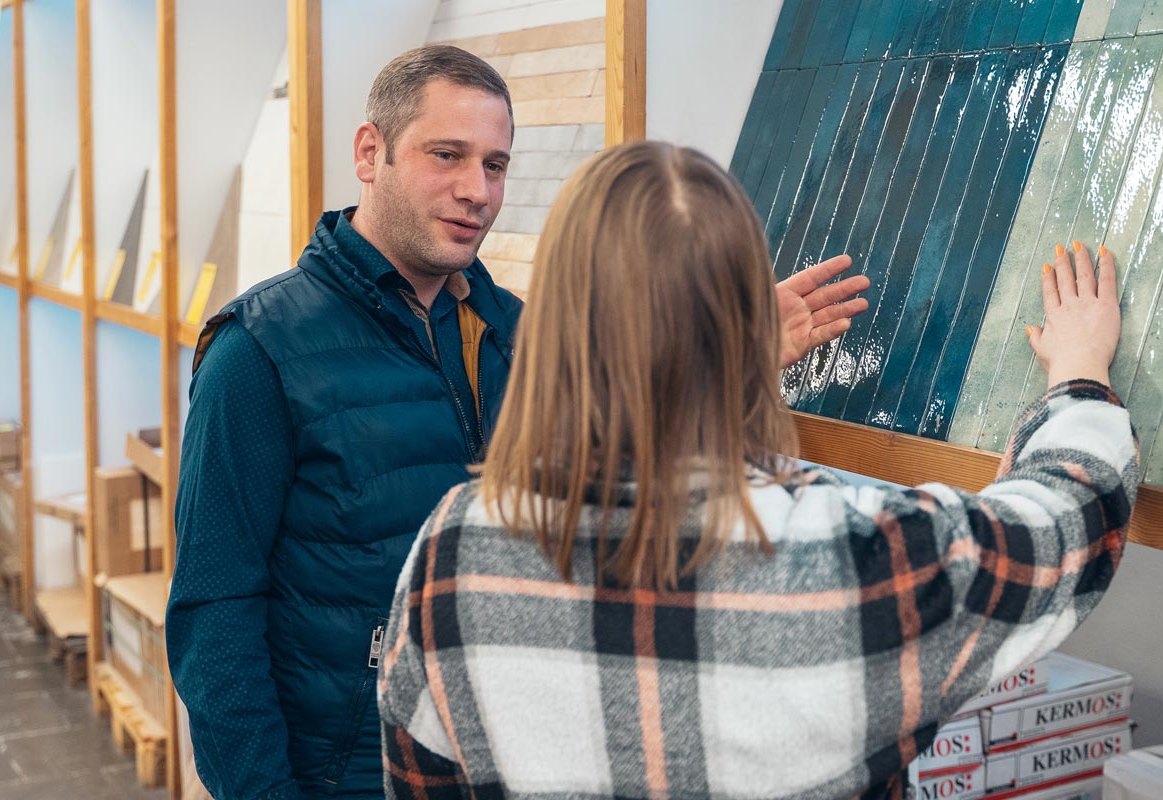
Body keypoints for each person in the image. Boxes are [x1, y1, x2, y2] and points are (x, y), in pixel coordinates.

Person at [167, 45, 870, 798]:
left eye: (496, 165)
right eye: (448, 155)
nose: (476, 190)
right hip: (350, 777)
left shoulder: (519, 333)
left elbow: (627, 472)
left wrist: (737, 355)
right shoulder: (258, 352)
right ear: (371, 153)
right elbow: (216, 613)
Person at [377, 142, 1138, 799]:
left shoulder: (453, 551)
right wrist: (1078, 367)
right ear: (742, 317)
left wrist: (720, 369)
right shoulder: (856, 554)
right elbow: (1073, 511)